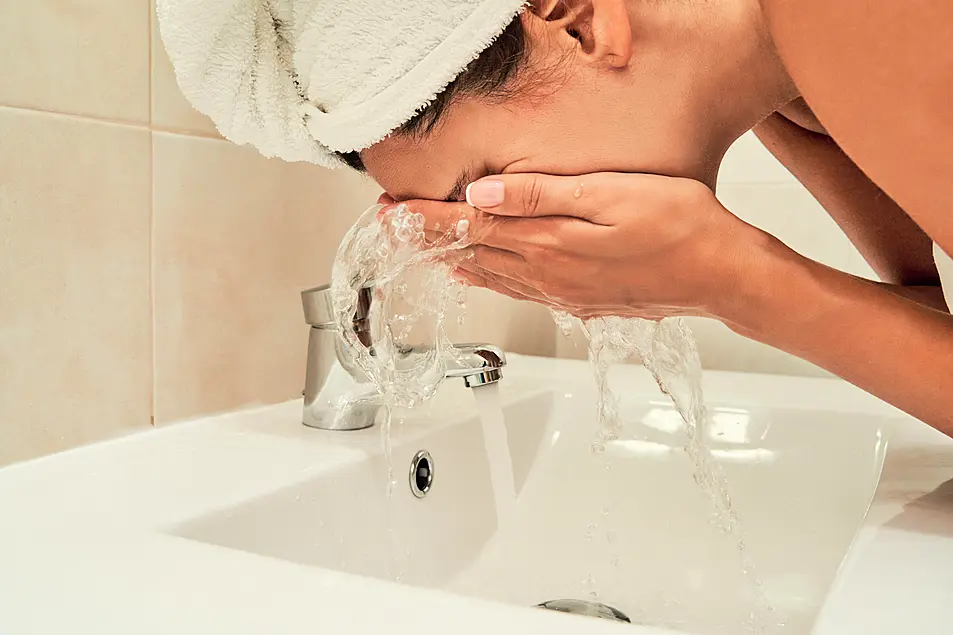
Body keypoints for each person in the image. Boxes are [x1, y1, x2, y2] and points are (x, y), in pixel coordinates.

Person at [159, 0, 953, 434]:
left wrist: (732, 278)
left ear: (578, 19)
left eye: (488, 191)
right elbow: (922, 321)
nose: (503, 241)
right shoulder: (790, 96)